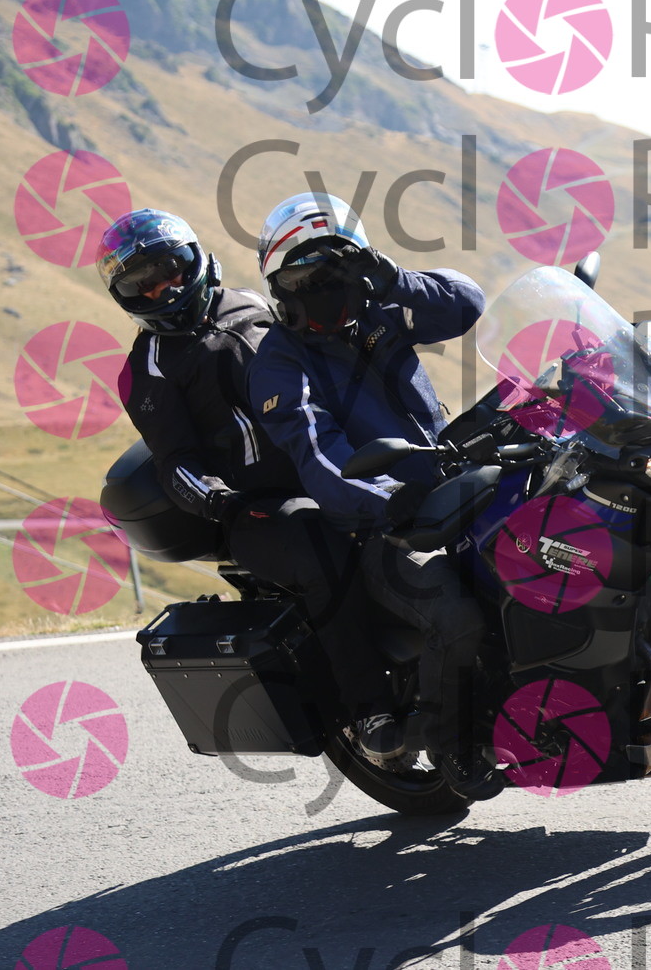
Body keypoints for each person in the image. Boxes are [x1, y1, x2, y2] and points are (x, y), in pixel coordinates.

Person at [98, 208, 403, 762]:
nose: (164, 290)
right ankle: (370, 709)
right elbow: (174, 462)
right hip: (262, 506)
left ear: (194, 259)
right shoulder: (147, 368)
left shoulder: (253, 303)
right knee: (320, 548)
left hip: (333, 461)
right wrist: (221, 500)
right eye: (142, 285)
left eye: (169, 270)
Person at [245, 192, 498, 797]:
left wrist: (395, 278)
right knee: (457, 616)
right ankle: (452, 742)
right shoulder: (280, 362)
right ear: (280, 288)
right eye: (305, 279)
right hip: (382, 529)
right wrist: (387, 499)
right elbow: (319, 455)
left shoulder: (384, 311)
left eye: (336, 272)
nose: (323, 290)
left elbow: (467, 305)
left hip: (453, 490)